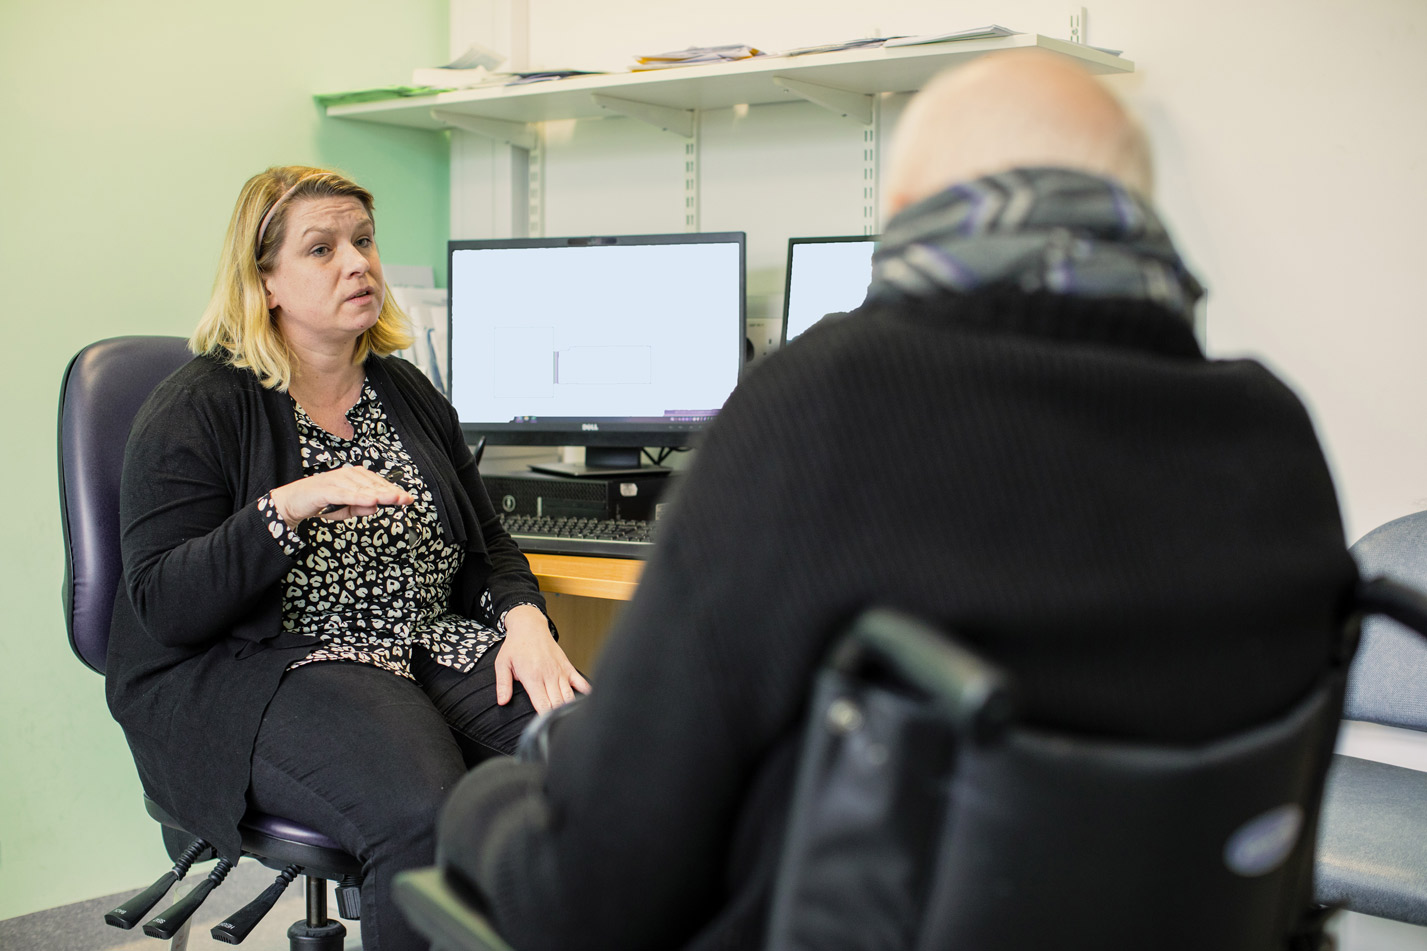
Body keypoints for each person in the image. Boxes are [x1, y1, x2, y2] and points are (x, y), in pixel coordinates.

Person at [434, 51, 1359, 950]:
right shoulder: (1272, 432)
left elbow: (591, 897)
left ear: (909, 219)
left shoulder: (828, 402)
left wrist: (481, 803)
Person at [106, 165, 589, 951]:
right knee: (419, 813)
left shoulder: (406, 392)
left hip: (422, 640)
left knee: (601, 762)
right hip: (273, 665)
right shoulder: (198, 405)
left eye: (362, 242)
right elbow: (162, 602)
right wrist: (285, 506)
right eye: (322, 249)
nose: (357, 263)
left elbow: (484, 542)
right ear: (263, 282)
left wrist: (524, 617)